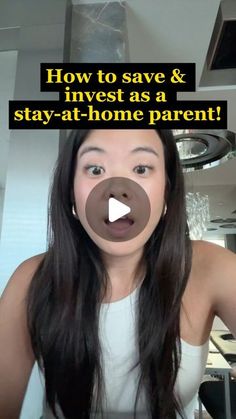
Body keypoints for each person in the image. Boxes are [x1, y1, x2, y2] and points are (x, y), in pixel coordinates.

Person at [0, 129, 235, 419]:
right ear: (71, 192)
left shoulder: (210, 267)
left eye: (141, 168)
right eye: (96, 169)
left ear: (166, 191)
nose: (117, 190)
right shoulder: (32, 279)